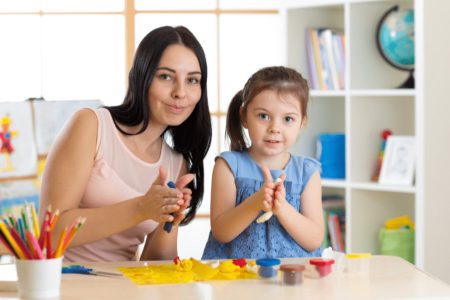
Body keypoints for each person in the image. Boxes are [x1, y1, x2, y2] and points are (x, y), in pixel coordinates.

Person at [39, 26, 212, 262]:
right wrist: (141, 208)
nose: (180, 92)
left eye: (192, 80)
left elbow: (156, 263)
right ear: (142, 77)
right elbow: (49, 232)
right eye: (166, 76)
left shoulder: (176, 164)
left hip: (124, 289)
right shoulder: (92, 125)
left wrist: (167, 220)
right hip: (62, 285)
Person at [202, 66, 323, 259]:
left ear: (302, 122)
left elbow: (314, 239)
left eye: (288, 119)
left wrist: (282, 208)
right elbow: (221, 232)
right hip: (236, 277)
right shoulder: (228, 166)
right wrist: (256, 202)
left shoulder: (307, 172)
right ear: (244, 116)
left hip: (293, 278)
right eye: (263, 116)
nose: (275, 128)